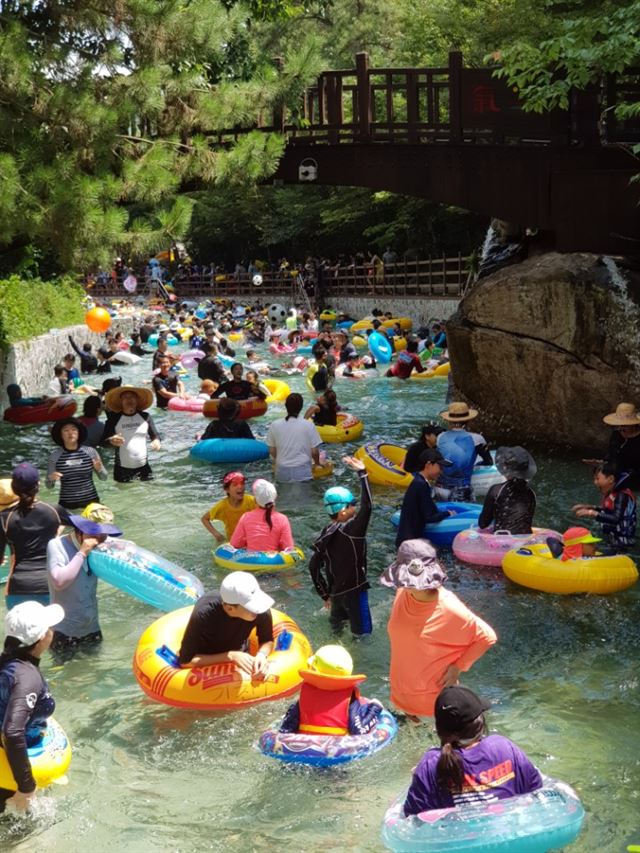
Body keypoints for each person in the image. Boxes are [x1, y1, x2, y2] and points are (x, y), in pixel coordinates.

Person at [382, 538, 497, 720]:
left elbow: (487, 637)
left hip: (432, 707)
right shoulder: (403, 592)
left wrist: (458, 667)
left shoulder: (449, 608)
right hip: (399, 697)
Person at [403, 686, 542, 815]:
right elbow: (535, 788)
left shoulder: (430, 764)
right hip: (510, 831)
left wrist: (418, 777)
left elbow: (413, 816)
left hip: (461, 838)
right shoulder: (502, 746)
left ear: (439, 729)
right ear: (480, 723)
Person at [0, 601, 65, 814]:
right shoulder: (27, 677)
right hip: (8, 780)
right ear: (41, 638)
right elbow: (12, 731)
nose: (52, 632)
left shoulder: (7, 663)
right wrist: (26, 787)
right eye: (50, 628)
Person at [308, 456, 373, 637]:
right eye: (353, 505)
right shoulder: (352, 530)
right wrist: (363, 473)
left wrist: (325, 595)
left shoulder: (326, 532)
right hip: (355, 594)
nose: (356, 508)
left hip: (336, 595)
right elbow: (368, 507)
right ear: (343, 510)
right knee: (363, 638)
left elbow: (313, 566)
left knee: (337, 635)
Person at [46, 508, 122, 652]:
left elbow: (126, 551)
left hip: (92, 627)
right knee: (69, 674)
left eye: (103, 535)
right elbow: (59, 582)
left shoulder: (102, 543)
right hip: (64, 630)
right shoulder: (56, 545)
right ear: (79, 530)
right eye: (94, 533)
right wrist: (82, 552)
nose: (98, 540)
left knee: (93, 672)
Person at [0, 463, 69, 610]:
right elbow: (84, 528)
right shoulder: (54, 510)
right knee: (50, 633)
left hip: (17, 587)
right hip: (49, 584)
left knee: (20, 631)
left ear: (14, 488)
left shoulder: (4, 518)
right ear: (38, 484)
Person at [178, 571, 274, 675]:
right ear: (230, 608)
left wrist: (261, 655)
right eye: (251, 607)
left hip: (240, 653)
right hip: (206, 659)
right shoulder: (204, 613)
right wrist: (230, 656)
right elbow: (185, 661)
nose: (257, 609)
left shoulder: (260, 609)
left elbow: (267, 640)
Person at [278, 645, 383, 736]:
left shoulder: (305, 693)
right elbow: (359, 731)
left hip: (304, 751)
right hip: (338, 748)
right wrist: (374, 709)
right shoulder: (348, 697)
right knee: (363, 709)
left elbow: (287, 729)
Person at [571, 463, 636, 553]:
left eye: (598, 479)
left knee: (588, 551)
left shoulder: (622, 495)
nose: (595, 482)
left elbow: (616, 518)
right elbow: (608, 510)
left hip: (621, 544)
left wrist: (591, 513)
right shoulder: (613, 492)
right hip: (611, 538)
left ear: (611, 479)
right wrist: (590, 507)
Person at [46, 417, 108, 510]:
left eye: (74, 429)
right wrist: (51, 478)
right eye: (66, 430)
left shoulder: (91, 452)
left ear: (79, 433)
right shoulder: (55, 456)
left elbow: (104, 478)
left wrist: (99, 469)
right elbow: (49, 486)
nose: (70, 433)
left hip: (92, 504)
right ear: (60, 435)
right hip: (67, 506)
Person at [395, 449, 453, 548]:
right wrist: (448, 513)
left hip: (406, 539)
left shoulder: (419, 481)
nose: (441, 471)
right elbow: (429, 517)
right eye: (440, 466)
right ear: (429, 464)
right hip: (410, 543)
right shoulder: (421, 485)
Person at [102, 385, 161, 482]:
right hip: (122, 469)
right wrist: (111, 441)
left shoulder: (146, 417)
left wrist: (156, 441)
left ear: (137, 400)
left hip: (144, 467)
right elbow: (103, 442)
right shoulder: (113, 419)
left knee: (150, 493)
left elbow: (155, 435)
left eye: (132, 397)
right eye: (125, 397)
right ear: (121, 401)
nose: (129, 399)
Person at [437, 402, 493, 501]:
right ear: (469, 421)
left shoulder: (440, 437)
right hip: (461, 488)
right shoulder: (477, 439)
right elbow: (489, 461)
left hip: (439, 487)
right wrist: (476, 464)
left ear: (449, 421)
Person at [478, 447, 537, 535]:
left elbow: (483, 524)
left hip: (503, 541)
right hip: (526, 540)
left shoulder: (496, 490)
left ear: (505, 469)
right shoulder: (531, 493)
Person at [266, 393, 322, 483]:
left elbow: (272, 450)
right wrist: (317, 463)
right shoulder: (308, 425)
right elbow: (314, 452)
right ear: (301, 407)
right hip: (302, 470)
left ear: (286, 406)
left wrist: (282, 459)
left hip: (282, 471)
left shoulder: (275, 425)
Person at [229, 479, 294, 552]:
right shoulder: (282, 519)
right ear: (275, 497)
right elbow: (288, 548)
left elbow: (235, 544)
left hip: (250, 561)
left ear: (255, 500)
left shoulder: (246, 517)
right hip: (274, 562)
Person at [201, 471, 256, 544]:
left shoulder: (252, 501)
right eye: (235, 484)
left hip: (251, 540)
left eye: (242, 483)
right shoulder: (222, 506)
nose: (240, 486)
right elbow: (204, 519)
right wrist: (217, 535)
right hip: (232, 542)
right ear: (227, 489)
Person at [598, 402, 640, 491]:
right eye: (620, 425)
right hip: (616, 477)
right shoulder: (616, 435)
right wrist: (602, 463)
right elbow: (611, 454)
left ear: (633, 425)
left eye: (624, 425)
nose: (621, 428)